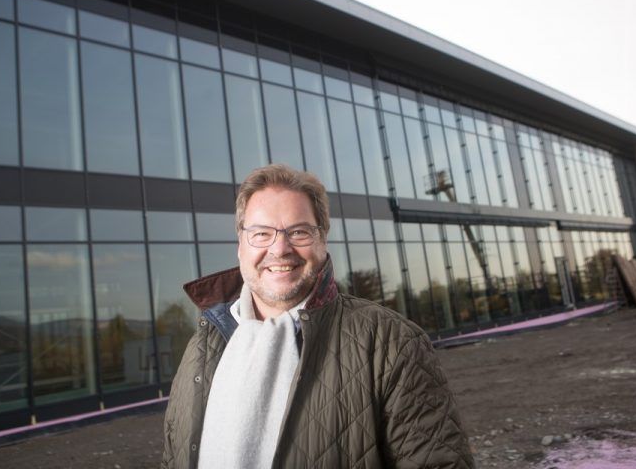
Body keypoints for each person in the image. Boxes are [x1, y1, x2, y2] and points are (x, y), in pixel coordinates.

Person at [161, 164, 474, 469]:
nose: (280, 249)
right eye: (261, 233)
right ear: (240, 245)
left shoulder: (394, 344)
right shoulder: (201, 348)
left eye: (299, 232)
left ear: (322, 240)